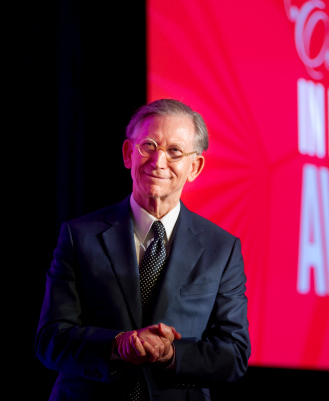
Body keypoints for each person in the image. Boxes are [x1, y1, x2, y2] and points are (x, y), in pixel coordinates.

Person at [35, 99, 251, 400]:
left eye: (175, 151)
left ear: (195, 166)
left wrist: (171, 354)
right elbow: (50, 340)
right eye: (148, 145)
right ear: (128, 154)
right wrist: (116, 344)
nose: (158, 161)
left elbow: (235, 353)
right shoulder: (78, 236)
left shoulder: (222, 249)